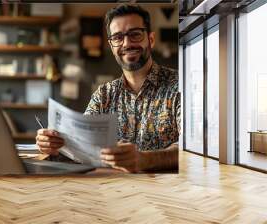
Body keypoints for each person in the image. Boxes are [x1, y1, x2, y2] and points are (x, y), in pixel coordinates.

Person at [36, 4, 180, 173]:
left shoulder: (179, 85)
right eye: (118, 37)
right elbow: (82, 147)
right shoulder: (103, 94)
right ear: (112, 46)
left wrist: (145, 160)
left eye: (135, 34)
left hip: (164, 194)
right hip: (110, 191)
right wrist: (54, 146)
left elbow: (193, 149)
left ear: (151, 39)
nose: (126, 43)